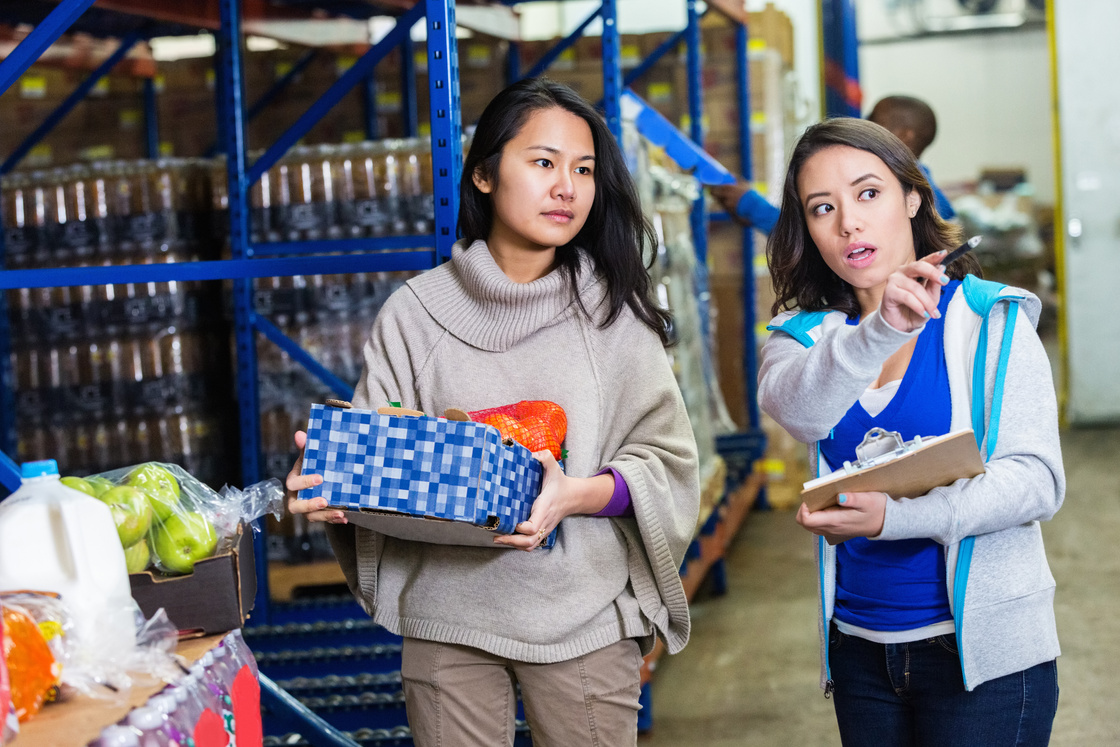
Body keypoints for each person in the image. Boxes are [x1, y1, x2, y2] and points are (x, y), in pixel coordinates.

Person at [285, 77, 701, 747]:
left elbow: (667, 464)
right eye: (543, 162)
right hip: (447, 617)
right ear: (483, 174)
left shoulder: (613, 315)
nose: (567, 186)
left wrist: (572, 495)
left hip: (583, 618)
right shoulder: (416, 314)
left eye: (584, 169)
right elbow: (381, 452)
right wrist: (333, 478)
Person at [758, 117, 1063, 745]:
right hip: (861, 652)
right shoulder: (799, 338)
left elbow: (1036, 482)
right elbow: (803, 413)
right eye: (823, 207)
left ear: (912, 197)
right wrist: (882, 330)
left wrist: (893, 518)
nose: (848, 223)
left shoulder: (992, 321)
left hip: (986, 659)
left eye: (868, 193)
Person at [710, 94, 956, 230]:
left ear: (905, 135)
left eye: (874, 119)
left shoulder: (927, 200)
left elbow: (809, 238)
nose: (865, 125)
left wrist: (751, 206)